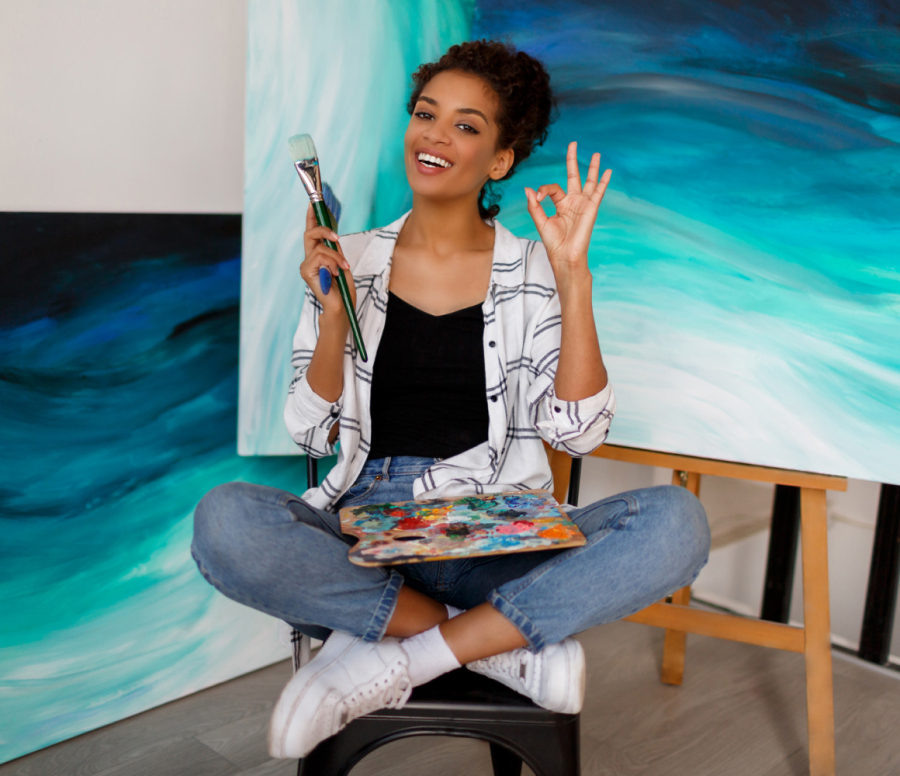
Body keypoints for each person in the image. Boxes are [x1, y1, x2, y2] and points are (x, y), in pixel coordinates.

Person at [191, 39, 711, 760]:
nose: (435, 135)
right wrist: (334, 311)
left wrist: (573, 280)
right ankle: (495, 641)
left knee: (676, 523)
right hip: (364, 534)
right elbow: (308, 429)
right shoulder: (352, 257)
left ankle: (404, 653)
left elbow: (580, 433)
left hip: (490, 531)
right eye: (427, 114)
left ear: (500, 160)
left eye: (466, 125)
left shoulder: (533, 268)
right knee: (224, 522)